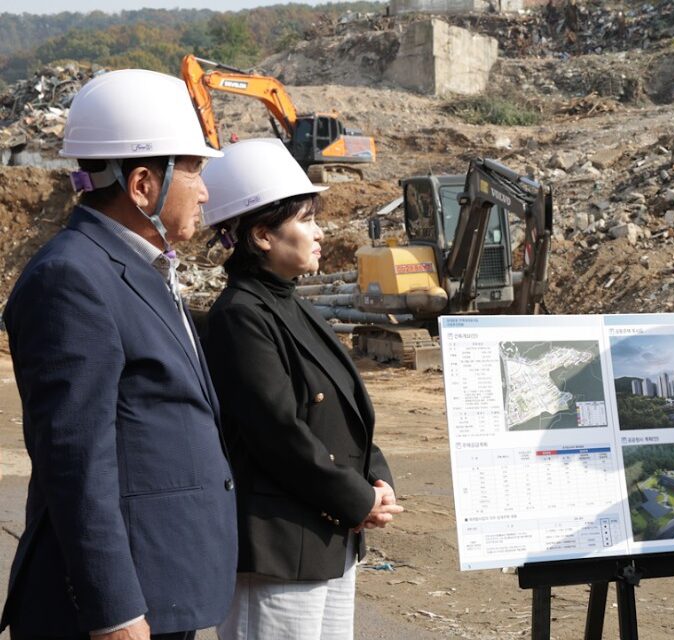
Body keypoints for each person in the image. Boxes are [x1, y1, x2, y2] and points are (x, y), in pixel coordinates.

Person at [1, 69, 236, 639]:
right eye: (197, 171)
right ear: (141, 185)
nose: (206, 192)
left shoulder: (137, 268)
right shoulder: (71, 279)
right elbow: (77, 464)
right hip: (116, 611)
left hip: (161, 586)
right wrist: (115, 610)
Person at [199, 139, 402, 640]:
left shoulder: (296, 306)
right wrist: (357, 499)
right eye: (306, 219)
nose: (319, 232)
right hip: (279, 548)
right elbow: (278, 432)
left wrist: (376, 478)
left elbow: (344, 410)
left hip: (328, 536)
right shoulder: (240, 316)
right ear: (262, 235)